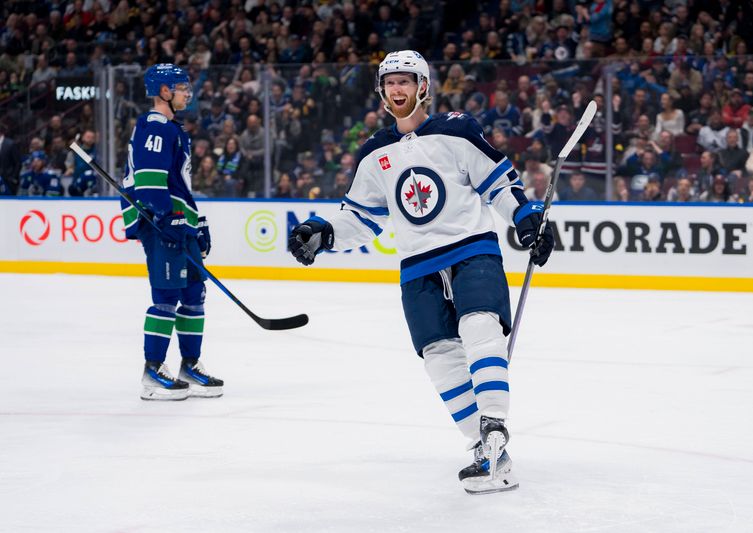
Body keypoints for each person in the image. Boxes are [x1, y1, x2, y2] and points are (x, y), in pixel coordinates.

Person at [288, 51, 555, 495]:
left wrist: (525, 218)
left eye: (406, 82)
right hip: (417, 266)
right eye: (390, 83)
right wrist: (324, 230)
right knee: (438, 356)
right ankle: (486, 451)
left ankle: (494, 425)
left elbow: (497, 184)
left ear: (423, 87)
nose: (397, 90)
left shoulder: (457, 129)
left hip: (471, 249)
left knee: (479, 327)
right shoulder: (375, 151)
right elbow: (362, 217)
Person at [120, 64, 223, 401]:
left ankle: (189, 365)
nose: (187, 93)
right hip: (160, 222)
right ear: (164, 91)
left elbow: (179, 184)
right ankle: (152, 371)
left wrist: (195, 221)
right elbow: (149, 182)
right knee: (166, 297)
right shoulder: (155, 126)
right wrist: (167, 218)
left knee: (194, 294)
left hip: (179, 221)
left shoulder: (174, 129)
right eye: (181, 87)